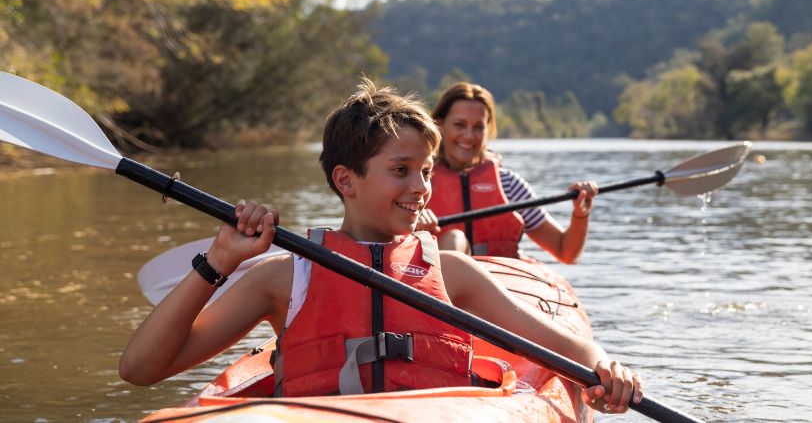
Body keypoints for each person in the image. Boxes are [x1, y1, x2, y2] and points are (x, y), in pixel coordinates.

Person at [118, 79, 641, 414]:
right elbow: (141, 370)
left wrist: (607, 370)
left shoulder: (453, 274)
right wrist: (219, 262)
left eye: (426, 172)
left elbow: (571, 350)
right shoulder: (282, 278)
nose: (421, 188)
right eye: (400, 171)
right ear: (346, 179)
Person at [420, 82, 596, 263]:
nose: (469, 135)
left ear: (488, 129)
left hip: (498, 280)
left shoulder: (509, 184)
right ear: (439, 125)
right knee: (455, 239)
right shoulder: (418, 182)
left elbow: (566, 252)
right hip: (437, 280)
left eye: (479, 127)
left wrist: (580, 214)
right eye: (459, 125)